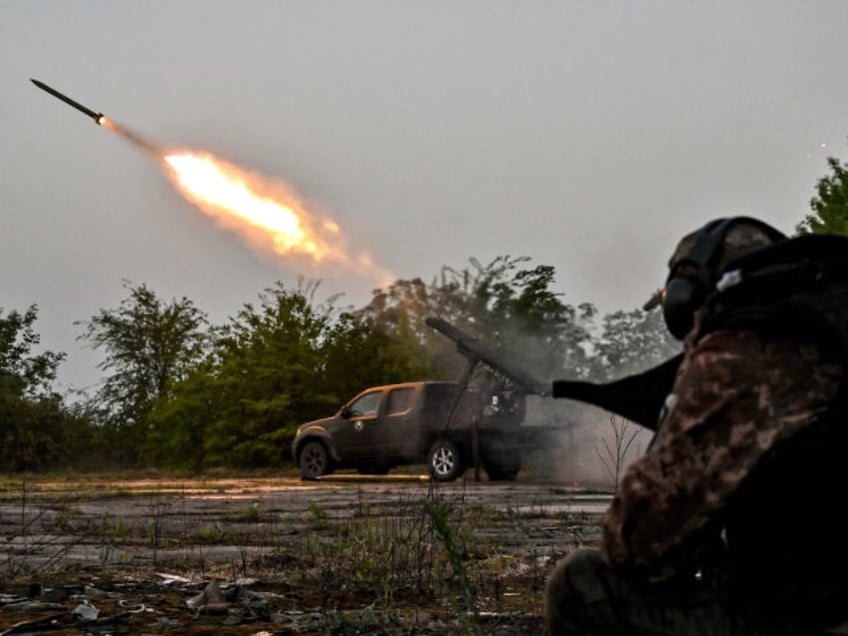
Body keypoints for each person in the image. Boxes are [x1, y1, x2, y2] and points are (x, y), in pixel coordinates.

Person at [545, 216, 848, 635]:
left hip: (813, 615)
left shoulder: (742, 354)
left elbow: (637, 542)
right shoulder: (831, 333)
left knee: (582, 584)